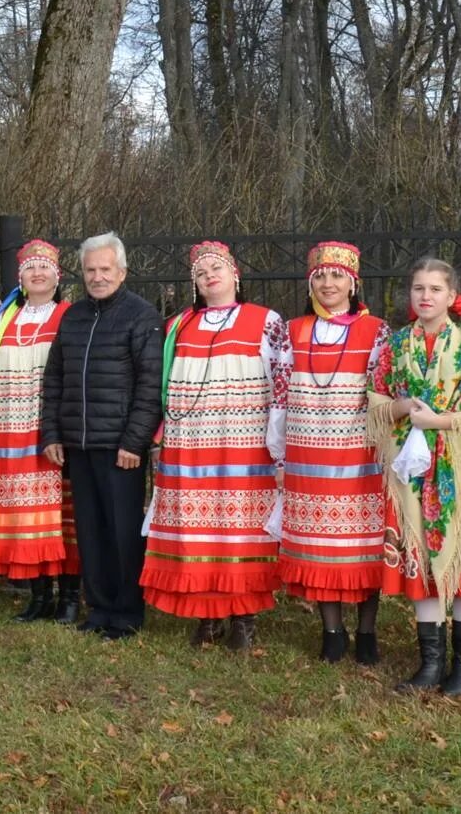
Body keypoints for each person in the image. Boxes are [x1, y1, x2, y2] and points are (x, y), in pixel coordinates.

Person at [141, 240, 290, 651]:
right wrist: (160, 438)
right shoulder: (177, 326)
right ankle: (207, 616)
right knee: (199, 531)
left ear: (235, 274)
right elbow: (161, 385)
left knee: (241, 532)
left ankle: (244, 617)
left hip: (243, 445)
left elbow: (282, 382)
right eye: (201, 271)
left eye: (217, 267)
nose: (210, 275)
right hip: (191, 446)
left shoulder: (266, 321)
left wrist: (277, 443)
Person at [369, 255, 461, 696]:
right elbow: (374, 400)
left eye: (435, 289)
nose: (426, 296)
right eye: (418, 289)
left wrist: (442, 423)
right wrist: (403, 408)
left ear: (452, 295)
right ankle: (430, 663)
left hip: (458, 470)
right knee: (420, 555)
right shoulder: (394, 347)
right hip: (410, 468)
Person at [40, 233, 163, 639]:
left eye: (105, 269)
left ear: (122, 272)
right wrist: (53, 433)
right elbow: (54, 377)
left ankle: (126, 612)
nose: (97, 276)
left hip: (120, 447)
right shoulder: (72, 316)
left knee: (123, 532)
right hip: (78, 442)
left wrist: (135, 441)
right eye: (90, 269)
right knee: (90, 532)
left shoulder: (141, 316)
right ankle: (98, 611)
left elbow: (150, 384)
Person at [276, 241, 389, 664]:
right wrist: (280, 457)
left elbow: (383, 391)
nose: (328, 283)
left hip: (359, 454)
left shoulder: (375, 330)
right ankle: (332, 631)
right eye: (320, 275)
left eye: (337, 275)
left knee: (361, 546)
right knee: (319, 546)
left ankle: (367, 631)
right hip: (308, 453)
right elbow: (280, 395)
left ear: (352, 282)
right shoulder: (294, 330)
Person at [0, 239, 75, 621]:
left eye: (44, 267)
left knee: (61, 514)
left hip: (49, 427)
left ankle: (67, 598)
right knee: (23, 513)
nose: (37, 273)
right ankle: (39, 597)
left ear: (57, 275)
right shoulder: (3, 319)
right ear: (21, 277)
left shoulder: (69, 315)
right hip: (9, 428)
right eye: (30, 267)